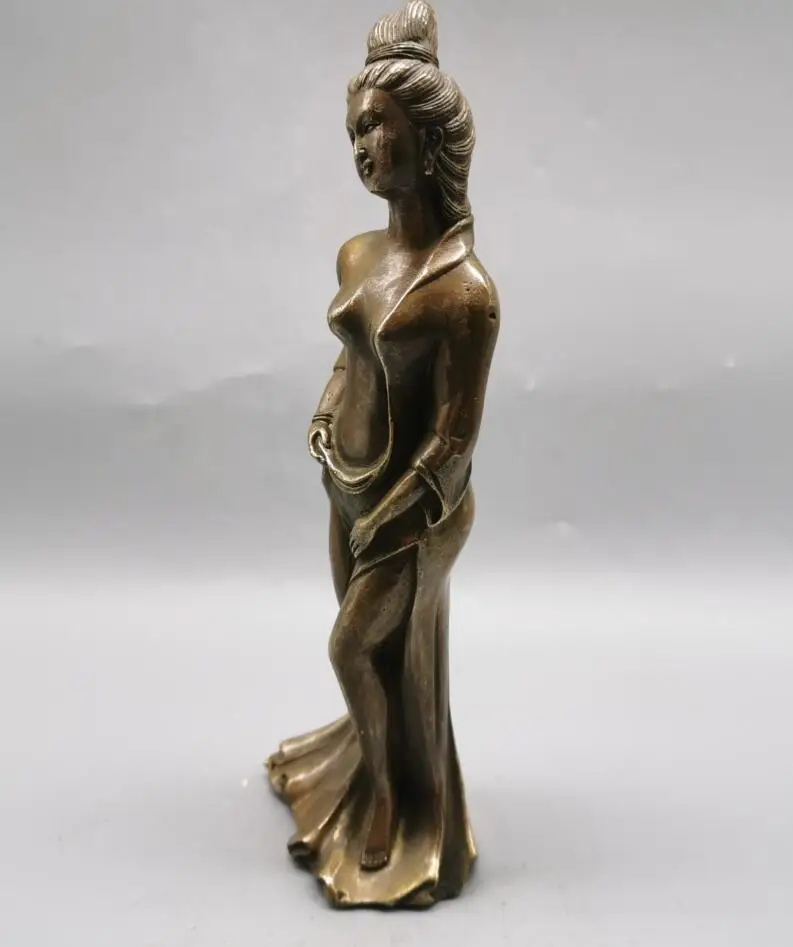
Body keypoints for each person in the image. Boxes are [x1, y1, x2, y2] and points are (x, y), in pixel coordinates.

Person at [267, 0, 499, 908]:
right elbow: (350, 360)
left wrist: (398, 512)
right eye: (353, 131)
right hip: (347, 486)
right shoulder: (357, 254)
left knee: (351, 648)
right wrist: (326, 417)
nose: (363, 146)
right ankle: (372, 765)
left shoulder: (465, 292)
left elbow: (456, 435)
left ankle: (401, 803)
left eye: (377, 127)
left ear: (427, 137)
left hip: (414, 512)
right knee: (374, 658)